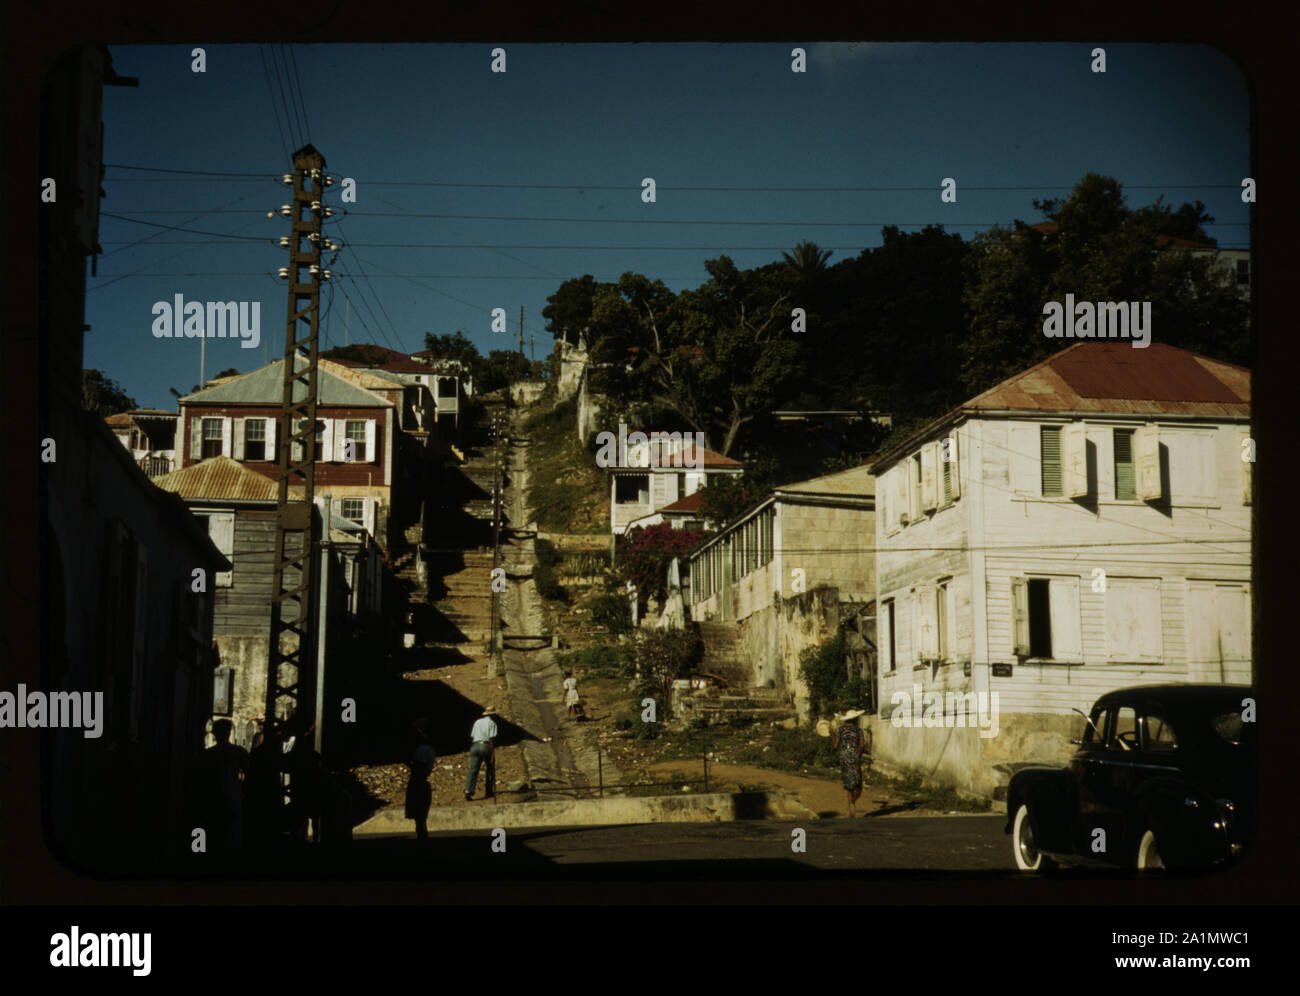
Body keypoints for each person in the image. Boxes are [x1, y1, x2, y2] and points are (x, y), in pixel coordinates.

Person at [204, 718, 250, 849]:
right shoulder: (239, 752)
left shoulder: (208, 754)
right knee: (232, 834)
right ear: (229, 733)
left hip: (212, 797)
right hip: (233, 795)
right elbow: (249, 773)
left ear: (214, 734)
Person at [830, 709, 867, 818]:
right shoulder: (858, 730)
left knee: (849, 784)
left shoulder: (840, 730)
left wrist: (831, 734)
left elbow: (835, 746)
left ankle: (851, 809)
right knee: (858, 786)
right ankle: (852, 803)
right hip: (854, 757)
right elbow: (862, 745)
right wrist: (858, 756)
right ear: (855, 719)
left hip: (843, 757)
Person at [405, 719, 435, 839]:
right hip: (422, 783)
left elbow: (419, 768)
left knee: (420, 820)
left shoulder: (423, 750)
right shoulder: (429, 749)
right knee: (421, 819)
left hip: (418, 783)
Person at [465, 708, 497, 801]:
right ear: (493, 715)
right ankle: (489, 791)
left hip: (475, 746)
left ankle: (468, 790)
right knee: (490, 768)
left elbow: (473, 736)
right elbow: (491, 740)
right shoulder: (492, 723)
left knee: (473, 770)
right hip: (485, 746)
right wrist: (492, 755)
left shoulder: (477, 722)